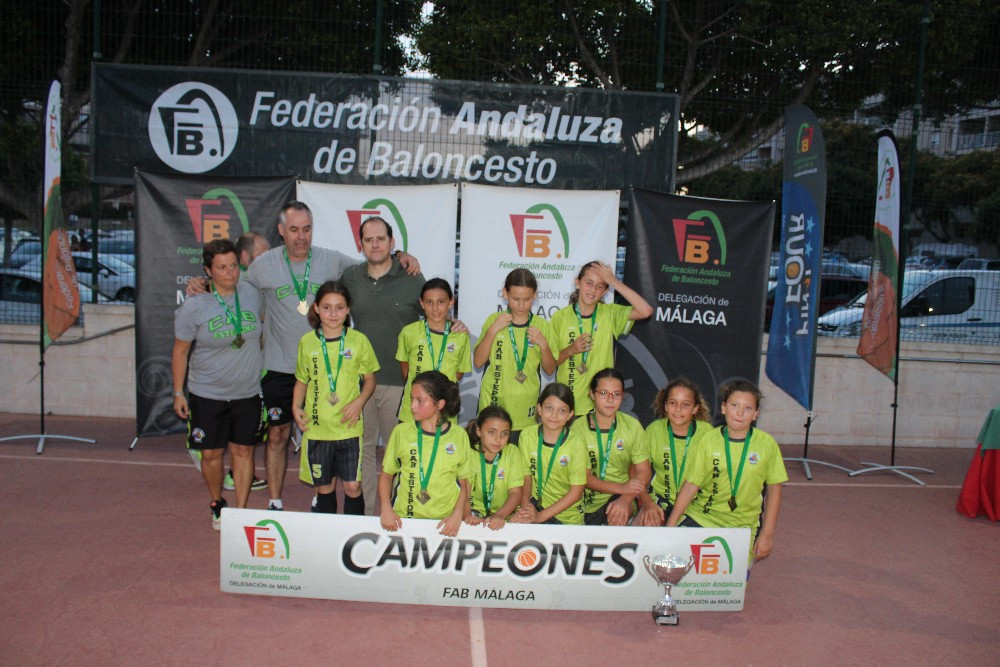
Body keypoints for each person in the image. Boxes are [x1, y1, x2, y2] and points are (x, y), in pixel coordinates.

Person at [192, 202, 418, 511]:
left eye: (307, 229)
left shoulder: (331, 260)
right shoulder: (263, 265)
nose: (301, 237)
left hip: (327, 371)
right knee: (278, 436)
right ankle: (275, 500)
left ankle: (324, 495)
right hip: (279, 367)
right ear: (282, 231)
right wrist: (202, 283)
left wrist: (400, 256)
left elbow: (374, 262)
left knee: (325, 433)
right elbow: (230, 285)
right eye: (294, 230)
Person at [171, 239, 265, 529]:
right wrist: (178, 392)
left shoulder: (251, 293)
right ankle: (217, 502)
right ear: (208, 271)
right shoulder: (195, 305)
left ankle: (241, 509)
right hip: (207, 393)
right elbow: (180, 351)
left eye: (234, 266)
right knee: (211, 454)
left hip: (247, 392)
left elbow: (260, 330)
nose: (230, 273)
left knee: (244, 452)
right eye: (222, 268)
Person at [340, 216, 425, 516]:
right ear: (360, 244)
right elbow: (329, 309)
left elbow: (436, 314)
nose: (375, 244)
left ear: (392, 242)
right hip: (360, 382)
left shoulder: (412, 277)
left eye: (381, 238)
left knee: (398, 450)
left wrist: (457, 327)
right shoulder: (349, 277)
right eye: (368, 239)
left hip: (399, 381)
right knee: (362, 451)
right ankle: (365, 513)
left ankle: (400, 512)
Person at [667, 379, 788, 564]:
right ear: (724, 408)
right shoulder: (709, 440)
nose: (739, 413)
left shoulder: (767, 445)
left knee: (727, 589)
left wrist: (767, 534)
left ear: (756, 414)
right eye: (734, 405)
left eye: (747, 408)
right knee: (679, 569)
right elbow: (691, 485)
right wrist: (670, 526)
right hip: (704, 516)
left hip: (743, 525)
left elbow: (775, 490)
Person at [291, 281, 378, 514]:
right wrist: (295, 407)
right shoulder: (307, 342)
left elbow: (370, 379)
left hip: (348, 427)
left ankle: (354, 536)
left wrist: (359, 402)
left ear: (348, 309)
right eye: (327, 307)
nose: (333, 313)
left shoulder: (358, 340)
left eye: (340, 307)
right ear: (317, 308)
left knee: (352, 485)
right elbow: (302, 379)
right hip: (317, 428)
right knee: (324, 487)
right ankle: (328, 539)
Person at [551, 261, 653, 415]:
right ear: (577, 283)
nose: (593, 290)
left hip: (599, 405)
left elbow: (645, 311)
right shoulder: (560, 317)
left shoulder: (610, 314)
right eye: (589, 283)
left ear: (605, 292)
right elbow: (550, 364)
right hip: (568, 403)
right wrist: (571, 350)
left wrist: (614, 282)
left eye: (600, 286)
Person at [379, 371, 471, 537]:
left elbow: (464, 483)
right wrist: (385, 508)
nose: (413, 406)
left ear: (440, 404)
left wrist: (458, 515)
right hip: (404, 520)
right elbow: (386, 475)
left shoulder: (459, 436)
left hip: (445, 523)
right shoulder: (402, 432)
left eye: (420, 401)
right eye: (411, 399)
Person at [473, 268, 556, 443]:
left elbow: (550, 370)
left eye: (526, 299)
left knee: (519, 466)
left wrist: (544, 345)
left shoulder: (542, 325)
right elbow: (478, 361)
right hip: (493, 405)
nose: (521, 305)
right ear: (505, 294)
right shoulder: (494, 320)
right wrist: (493, 330)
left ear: (535, 296)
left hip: (525, 410)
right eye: (515, 299)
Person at [222, 231, 271, 493]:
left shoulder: (261, 283)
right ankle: (234, 473)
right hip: (238, 369)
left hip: (260, 365)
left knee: (254, 425)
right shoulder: (235, 286)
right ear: (245, 257)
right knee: (243, 424)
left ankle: (238, 471)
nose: (269, 259)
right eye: (263, 255)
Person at [571, 368, 651, 526]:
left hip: (619, 496)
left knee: (617, 514)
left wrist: (625, 498)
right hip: (583, 499)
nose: (610, 399)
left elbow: (644, 471)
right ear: (592, 394)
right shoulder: (578, 429)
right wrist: (621, 488)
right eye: (603, 393)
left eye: (616, 394)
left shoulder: (632, 426)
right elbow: (583, 478)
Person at [636, 377, 712, 527]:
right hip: (660, 499)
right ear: (665, 406)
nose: (678, 409)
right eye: (673, 403)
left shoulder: (707, 434)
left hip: (695, 503)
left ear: (695, 408)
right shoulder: (654, 430)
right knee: (640, 531)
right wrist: (647, 503)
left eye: (685, 404)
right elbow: (637, 471)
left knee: (685, 542)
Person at [510, 383, 587, 525]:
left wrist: (540, 517)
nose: (554, 415)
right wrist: (526, 508)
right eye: (549, 408)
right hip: (534, 505)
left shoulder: (577, 444)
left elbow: (576, 492)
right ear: (539, 408)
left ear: (570, 414)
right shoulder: (527, 435)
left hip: (566, 516)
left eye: (562, 410)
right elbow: (526, 475)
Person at [396, 278, 471, 423]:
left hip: (445, 408)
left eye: (441, 302)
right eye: (429, 302)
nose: (435, 308)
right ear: (422, 303)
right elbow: (406, 371)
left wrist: (439, 387)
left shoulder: (461, 336)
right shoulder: (409, 332)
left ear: (451, 302)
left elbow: (459, 374)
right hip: (412, 410)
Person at [464, 406, 524, 530]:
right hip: (475, 514)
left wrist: (499, 515)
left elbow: (516, 493)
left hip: (505, 515)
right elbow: (464, 492)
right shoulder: (468, 453)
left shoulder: (512, 452)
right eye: (491, 432)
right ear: (479, 431)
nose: (498, 439)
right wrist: (467, 515)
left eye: (504, 434)